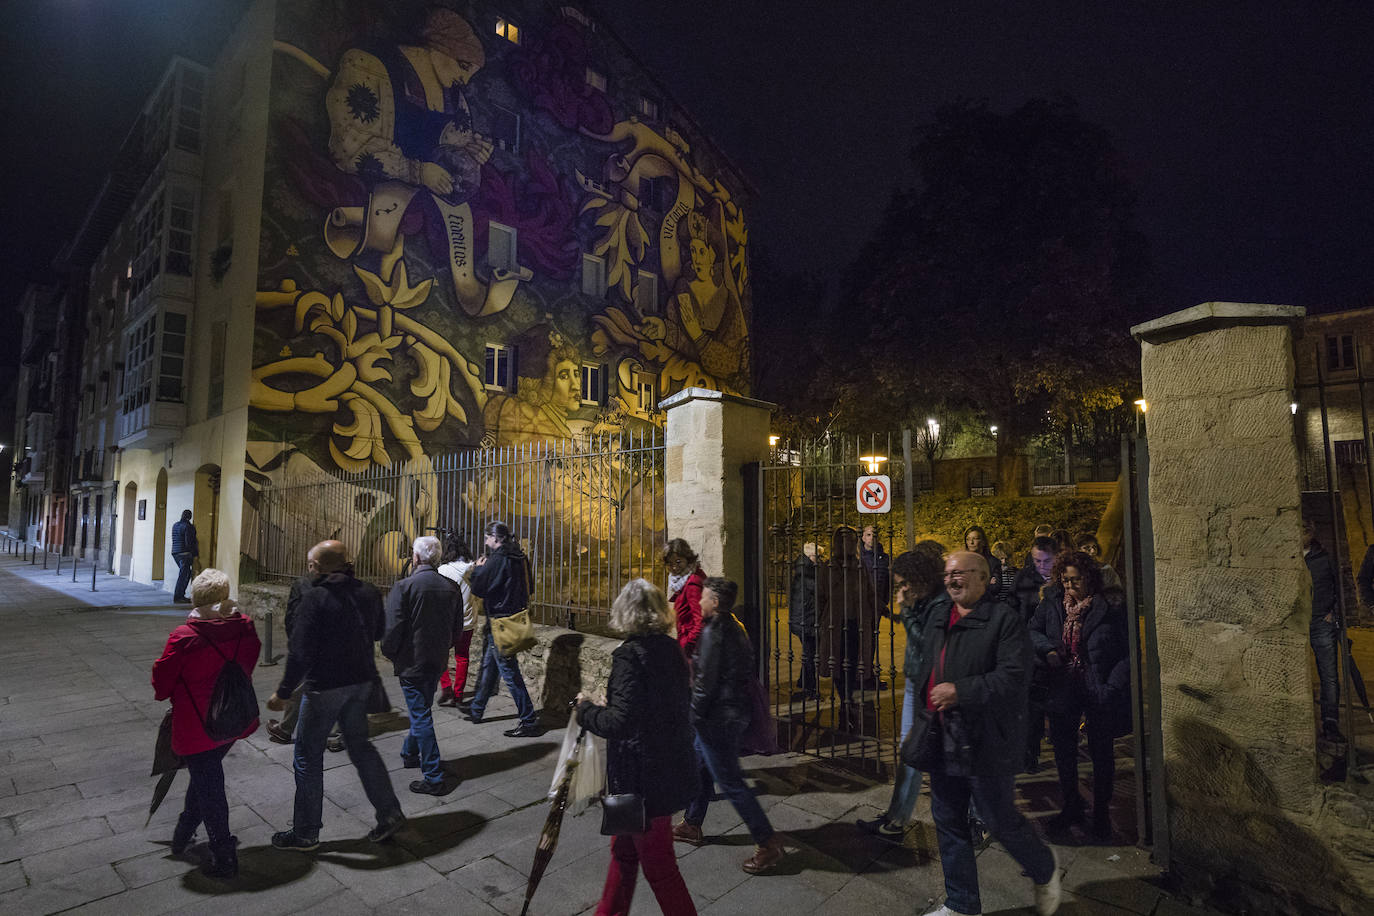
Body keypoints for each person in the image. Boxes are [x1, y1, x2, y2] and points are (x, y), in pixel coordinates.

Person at [918, 552, 1060, 916]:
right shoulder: (938, 615)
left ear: (984, 578)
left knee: (997, 818)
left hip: (985, 739)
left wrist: (960, 691)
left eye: (960, 573)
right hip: (943, 733)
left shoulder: (1004, 621)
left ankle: (1044, 866)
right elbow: (927, 664)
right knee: (948, 819)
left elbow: (1013, 678)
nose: (951, 579)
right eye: (948, 573)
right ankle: (962, 904)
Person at [267, 541, 406, 849]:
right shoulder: (368, 591)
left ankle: (305, 832)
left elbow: (300, 652)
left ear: (324, 566)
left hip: (325, 687)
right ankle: (390, 812)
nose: (309, 569)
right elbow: (380, 632)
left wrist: (283, 692)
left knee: (307, 756)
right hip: (360, 683)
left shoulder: (315, 597)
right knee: (361, 748)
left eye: (312, 565)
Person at [577, 579, 699, 916]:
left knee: (660, 869)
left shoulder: (630, 656)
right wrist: (612, 704)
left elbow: (621, 723)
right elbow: (655, 705)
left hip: (644, 780)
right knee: (624, 855)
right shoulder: (670, 649)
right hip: (665, 766)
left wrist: (586, 709)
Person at [151, 568, 261, 878]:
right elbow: (248, 664)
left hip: (196, 726)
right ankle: (183, 831)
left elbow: (162, 686)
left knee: (209, 784)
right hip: (231, 719)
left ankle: (224, 854)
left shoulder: (184, 637)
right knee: (205, 775)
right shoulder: (246, 628)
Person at [673, 578, 785, 873]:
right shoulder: (734, 626)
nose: (699, 602)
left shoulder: (715, 633)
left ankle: (768, 842)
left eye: (705, 598)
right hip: (728, 712)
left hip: (717, 718)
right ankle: (692, 824)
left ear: (716, 603)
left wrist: (693, 717)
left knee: (732, 783)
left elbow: (704, 684)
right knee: (700, 766)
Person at [1029, 550, 1131, 842]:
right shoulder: (1052, 602)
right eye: (1065, 581)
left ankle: (1100, 813)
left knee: (1101, 753)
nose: (1070, 587)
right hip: (1063, 684)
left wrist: (1111, 687)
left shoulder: (1110, 606)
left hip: (1098, 687)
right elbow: (1032, 631)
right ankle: (1071, 805)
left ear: (1089, 578)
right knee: (1064, 751)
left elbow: (1126, 652)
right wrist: (1048, 649)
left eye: (1076, 581)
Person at [857, 545, 948, 840]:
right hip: (915, 684)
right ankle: (896, 818)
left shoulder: (938, 604)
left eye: (901, 584)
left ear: (917, 580)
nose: (898, 590)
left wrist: (906, 612)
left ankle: (973, 818)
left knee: (930, 754)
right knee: (909, 751)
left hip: (931, 688)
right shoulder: (923, 601)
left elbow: (927, 645)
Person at [383, 535, 460, 794]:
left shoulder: (404, 587)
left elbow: (392, 629)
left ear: (416, 558)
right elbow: (456, 629)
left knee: (421, 715)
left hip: (411, 661)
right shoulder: (451, 587)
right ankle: (409, 752)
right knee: (422, 709)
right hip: (436, 660)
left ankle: (434, 777)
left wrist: (391, 652)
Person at [467, 521, 541, 737]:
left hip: (500, 621)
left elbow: (480, 588)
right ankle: (476, 709)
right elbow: (530, 586)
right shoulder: (520, 556)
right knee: (490, 665)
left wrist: (478, 570)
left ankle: (528, 721)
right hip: (512, 618)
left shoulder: (498, 559)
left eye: (487, 537)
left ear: (496, 538)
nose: (485, 541)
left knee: (509, 673)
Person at [1011, 536, 1061, 773]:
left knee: (1057, 707)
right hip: (1031, 653)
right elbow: (1015, 611)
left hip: (1060, 653)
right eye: (1037, 561)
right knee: (1031, 710)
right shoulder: (1024, 579)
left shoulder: (1064, 580)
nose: (1042, 566)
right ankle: (1030, 754)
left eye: (1047, 561)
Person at [816, 526, 877, 704]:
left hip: (855, 624)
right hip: (835, 624)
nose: (849, 544)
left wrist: (878, 610)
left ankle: (848, 697)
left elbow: (869, 592)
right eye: (845, 540)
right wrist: (822, 620)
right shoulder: (828, 567)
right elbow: (820, 596)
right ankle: (844, 697)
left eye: (851, 540)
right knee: (837, 662)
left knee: (852, 661)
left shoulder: (860, 566)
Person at [1304, 524, 1344, 741]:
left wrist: (1334, 612)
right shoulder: (1287, 557)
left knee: (1328, 675)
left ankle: (1330, 723)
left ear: (1311, 533)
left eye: (1306, 530)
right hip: (1297, 622)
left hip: (1321, 620)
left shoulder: (1323, 558)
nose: (1302, 534)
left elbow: (1339, 585)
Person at [437, 533, 481, 707]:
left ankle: (446, 687)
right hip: (467, 620)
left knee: (441, 656)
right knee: (462, 657)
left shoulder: (442, 570)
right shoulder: (472, 568)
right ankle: (458, 694)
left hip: (447, 620)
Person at [664, 538, 707, 660]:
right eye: (670, 564)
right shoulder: (682, 581)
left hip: (692, 651)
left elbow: (700, 620)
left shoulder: (692, 583)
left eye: (678, 562)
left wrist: (687, 646)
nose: (674, 568)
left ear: (688, 559)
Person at [860, 525, 891, 689]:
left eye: (874, 535)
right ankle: (862, 676)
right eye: (868, 534)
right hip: (862, 605)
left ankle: (867, 675)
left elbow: (887, 580)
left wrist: (883, 602)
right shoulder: (859, 557)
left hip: (876, 606)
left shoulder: (884, 558)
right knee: (861, 640)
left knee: (871, 640)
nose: (872, 538)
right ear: (863, 537)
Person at [788, 542, 819, 700]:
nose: (819, 559)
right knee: (811, 654)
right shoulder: (806, 571)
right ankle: (811, 689)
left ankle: (804, 682)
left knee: (810, 652)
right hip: (806, 620)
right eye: (817, 556)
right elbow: (819, 588)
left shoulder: (804, 569)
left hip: (804, 618)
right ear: (810, 556)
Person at [963, 526, 1003, 598]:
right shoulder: (962, 562)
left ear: (983, 542)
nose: (971, 542)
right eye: (968, 539)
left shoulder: (994, 563)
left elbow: (995, 588)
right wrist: (986, 583)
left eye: (975, 539)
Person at [170, 510, 199, 604]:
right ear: (190, 517)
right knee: (184, 575)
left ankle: (180, 595)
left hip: (175, 553)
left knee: (185, 574)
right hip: (184, 553)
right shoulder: (188, 526)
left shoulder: (175, 525)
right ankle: (179, 597)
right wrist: (195, 554)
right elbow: (189, 542)